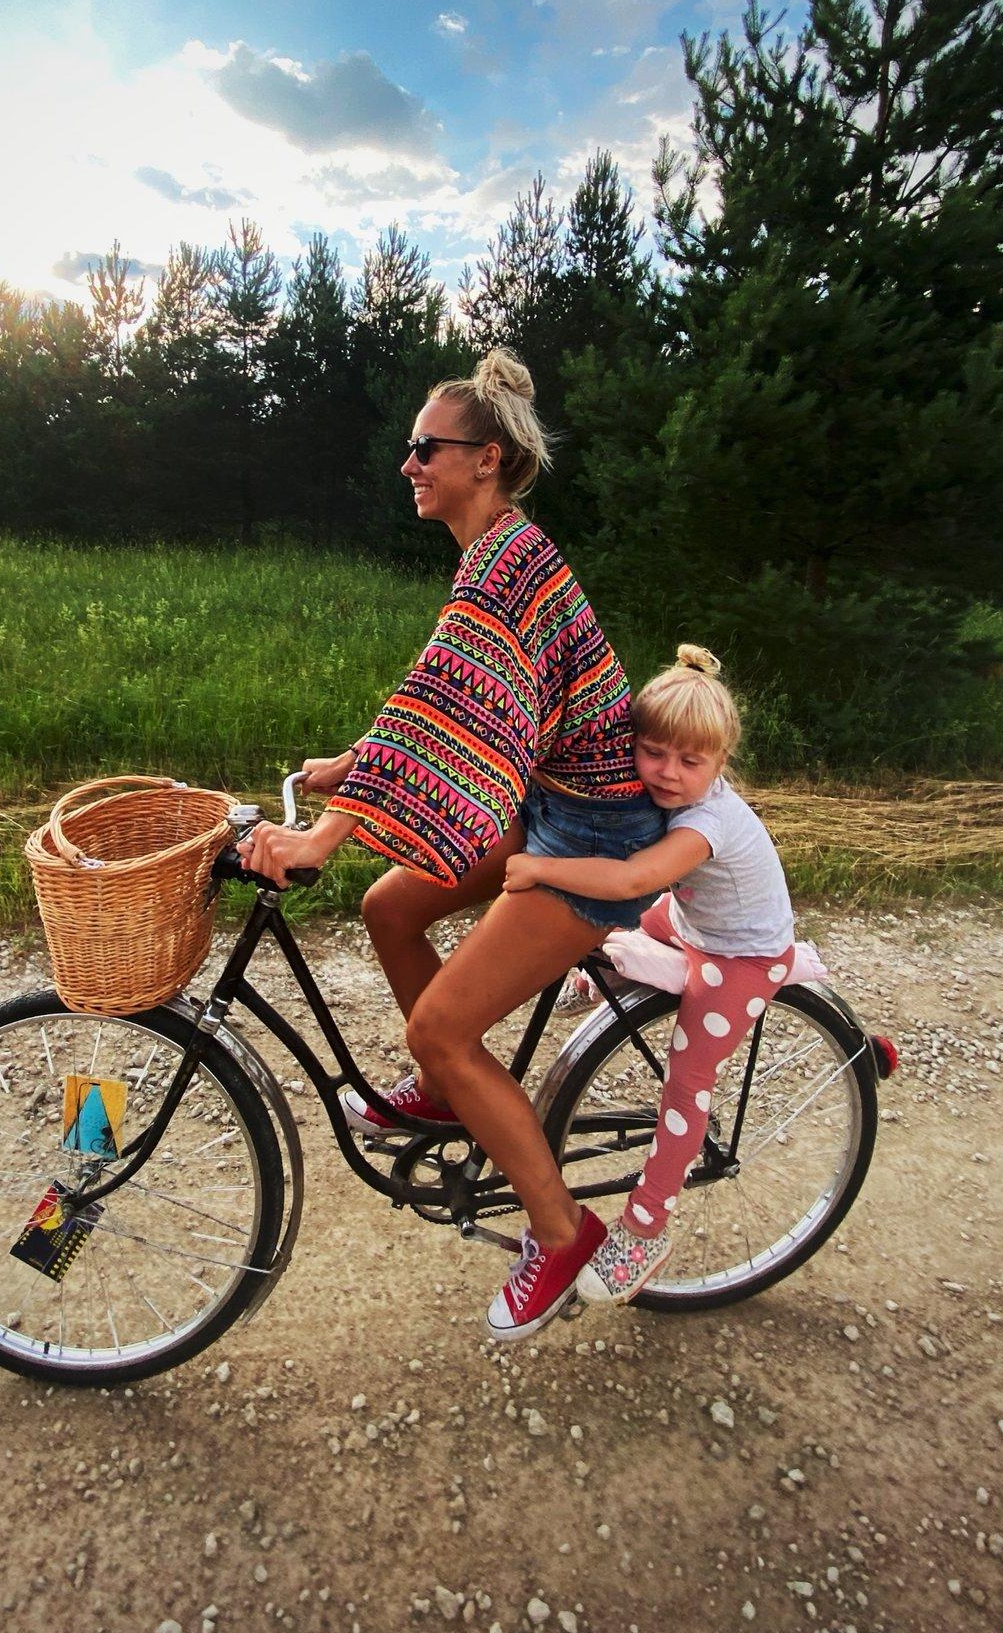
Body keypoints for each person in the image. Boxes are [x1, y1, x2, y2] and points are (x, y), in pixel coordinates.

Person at [238, 348, 664, 1341]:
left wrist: (322, 837)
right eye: (410, 448)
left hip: (593, 834)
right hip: (552, 802)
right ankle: (443, 1093)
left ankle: (560, 1232)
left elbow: (448, 715)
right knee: (389, 904)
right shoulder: (490, 553)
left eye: (425, 448)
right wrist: (355, 763)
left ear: (485, 458)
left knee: (438, 1020)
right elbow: (451, 706)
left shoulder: (508, 559)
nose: (408, 464)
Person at [501, 646, 795, 1305]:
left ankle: (644, 1227)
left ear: (721, 764)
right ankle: (593, 978)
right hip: (691, 919)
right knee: (617, 926)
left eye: (690, 762)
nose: (667, 774)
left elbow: (634, 876)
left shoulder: (705, 822)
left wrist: (541, 868)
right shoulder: (669, 791)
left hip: (740, 957)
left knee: (686, 1083)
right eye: (653, 752)